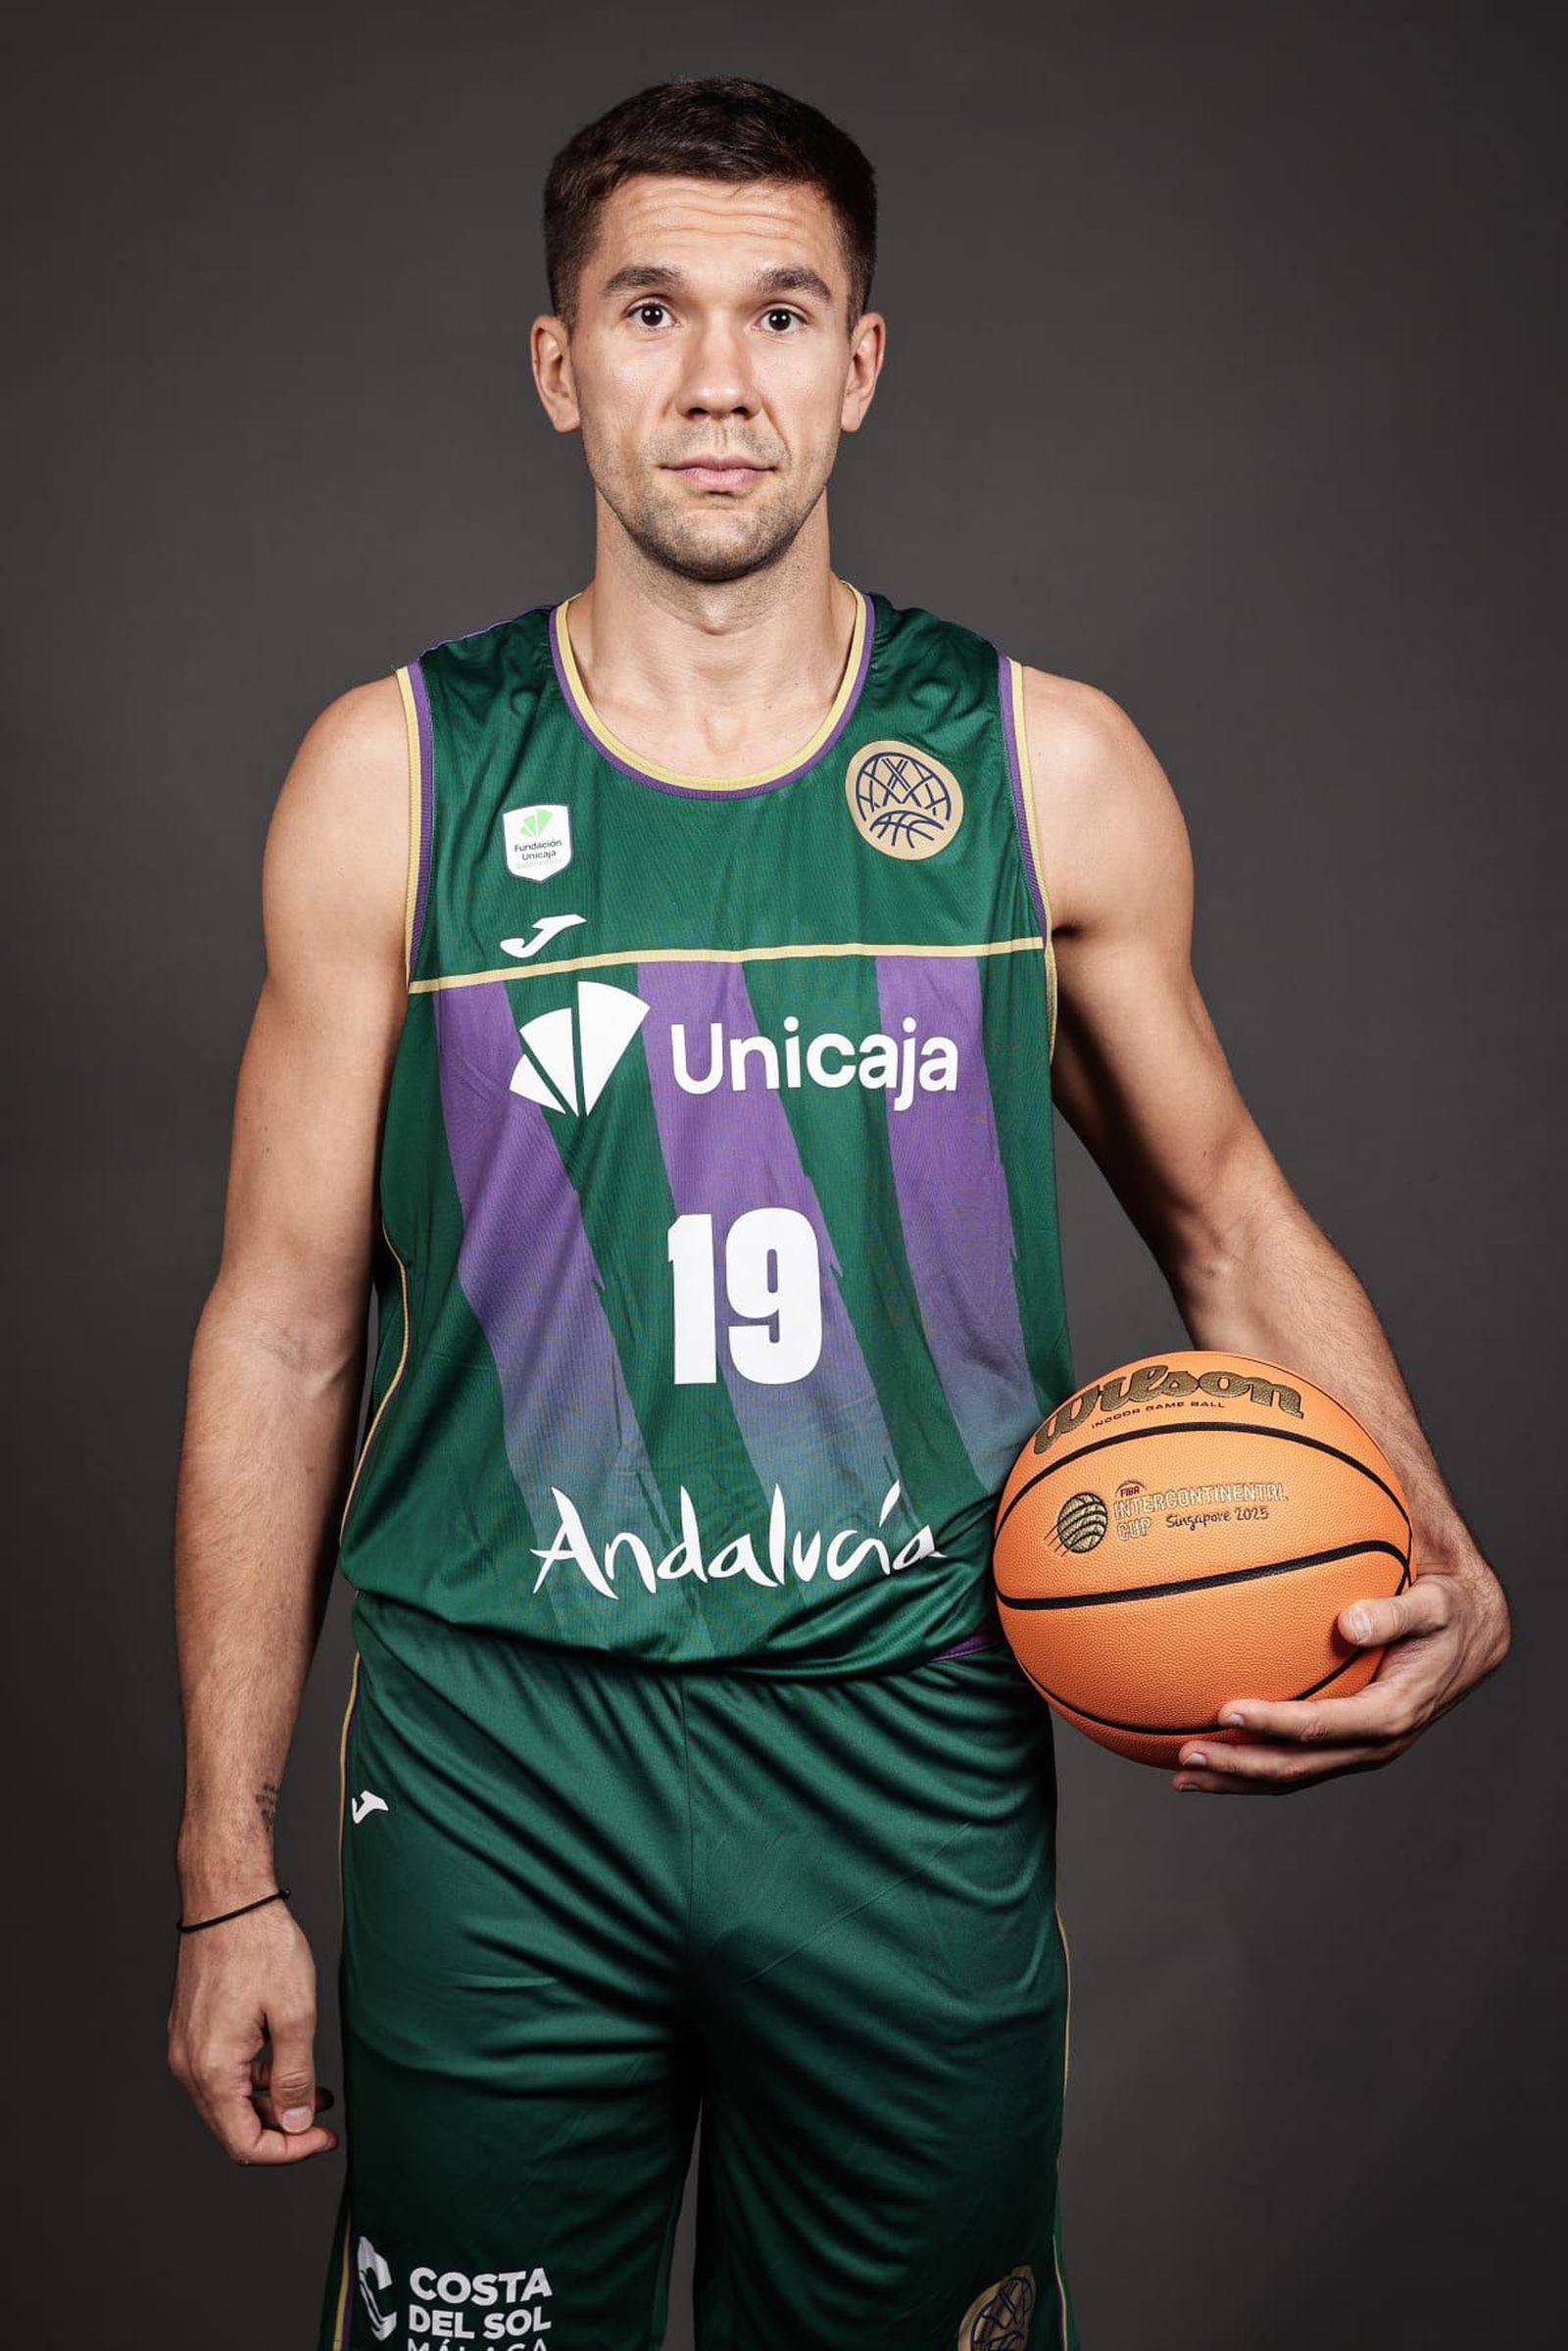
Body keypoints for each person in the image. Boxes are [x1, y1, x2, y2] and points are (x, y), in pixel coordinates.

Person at [166, 74, 1510, 2351]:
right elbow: (284, 1330)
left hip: (904, 1754)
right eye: (650, 313)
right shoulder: (393, 775)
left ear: (859, 363)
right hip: (500, 1766)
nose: (717, 381)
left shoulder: (1039, 767)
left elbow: (1224, 1213)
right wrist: (224, 1871)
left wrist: (1433, 1544)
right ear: (556, 362)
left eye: (780, 314)